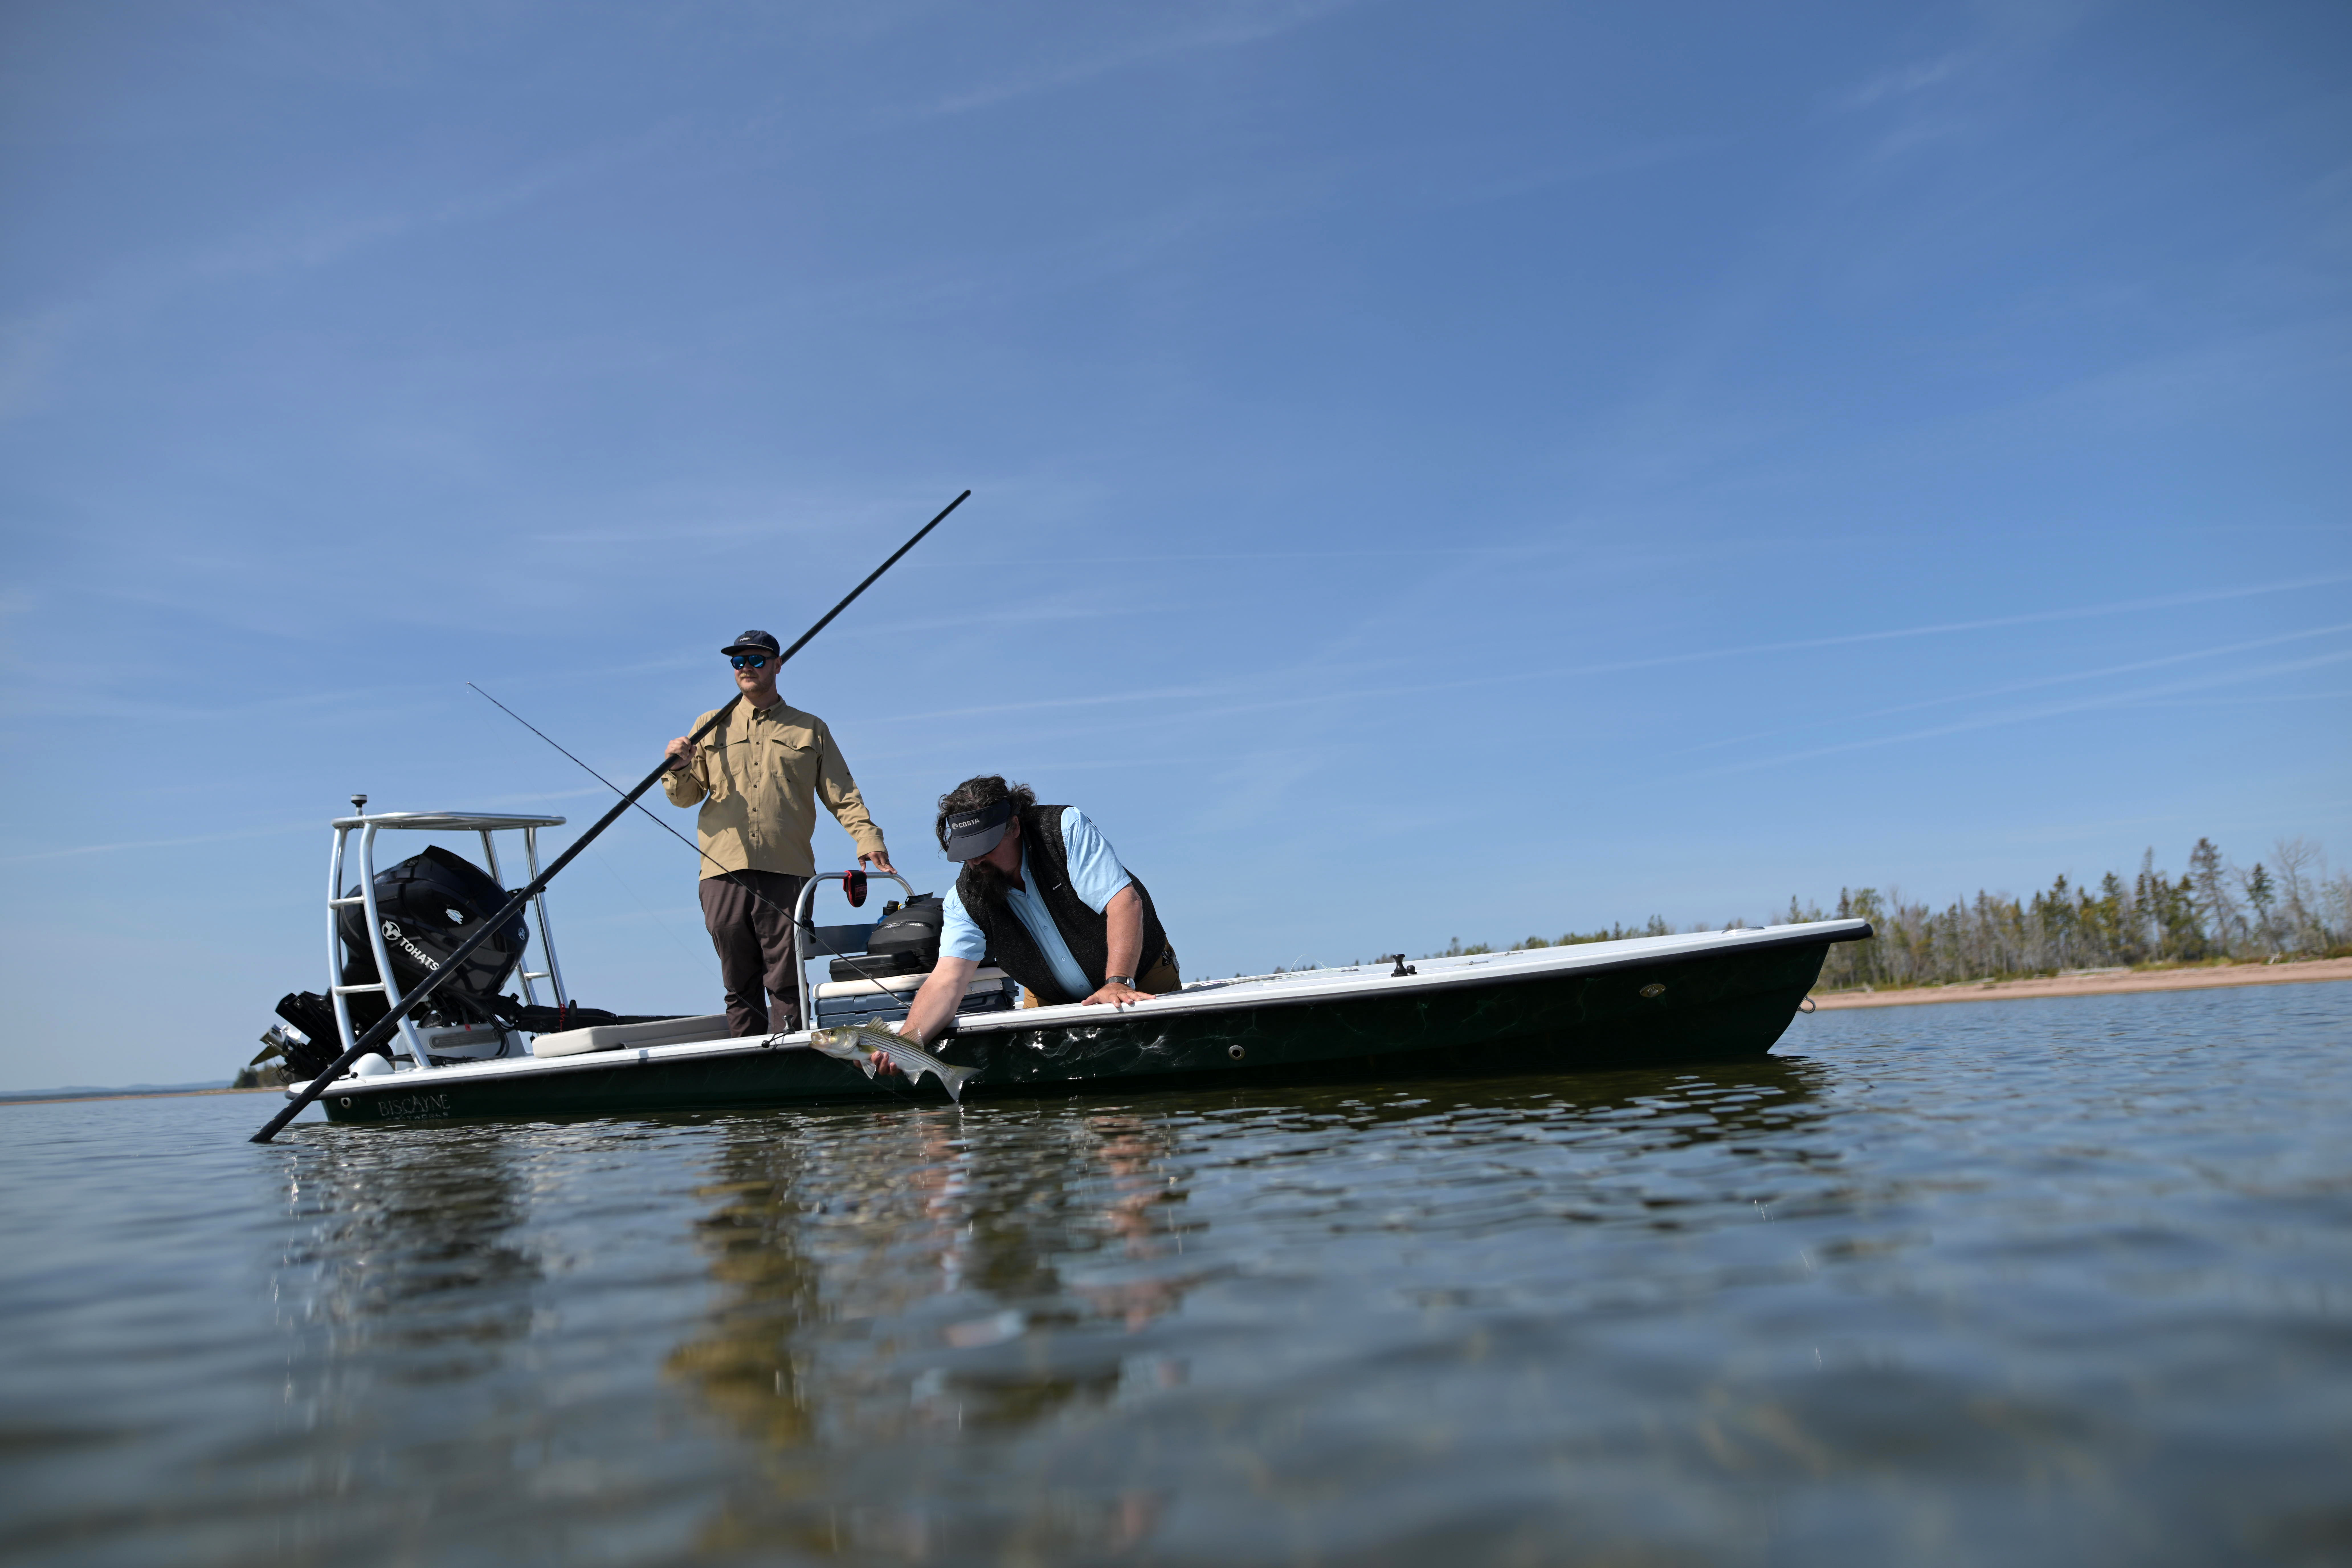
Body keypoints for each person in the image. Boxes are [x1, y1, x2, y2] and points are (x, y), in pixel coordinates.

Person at [663, 629, 896, 1036]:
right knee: (738, 983)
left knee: (786, 979)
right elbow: (685, 798)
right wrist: (678, 767)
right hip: (722, 871)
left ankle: (792, 1055)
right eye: (738, 661)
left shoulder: (810, 729)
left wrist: (868, 838)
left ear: (778, 665)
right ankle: (748, 1060)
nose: (746, 668)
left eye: (756, 660)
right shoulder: (708, 726)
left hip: (788, 870)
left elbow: (843, 794)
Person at [899, 775, 1177, 1048]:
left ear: (1014, 827)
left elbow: (1124, 902)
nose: (976, 859)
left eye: (985, 846)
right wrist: (905, 1044)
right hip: (1048, 998)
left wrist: (1118, 982)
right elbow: (947, 979)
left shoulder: (1063, 830)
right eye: (967, 850)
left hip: (1138, 979)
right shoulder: (963, 898)